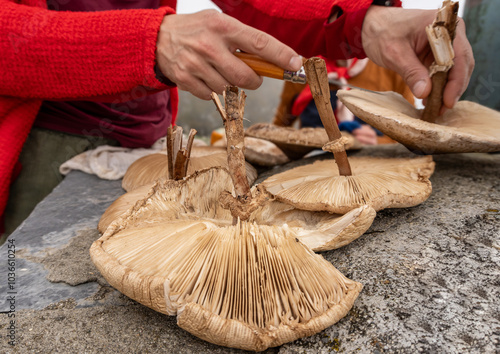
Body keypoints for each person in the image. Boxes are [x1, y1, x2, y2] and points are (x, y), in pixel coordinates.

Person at [0, 0, 474, 235]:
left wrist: (360, 20)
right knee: (24, 292)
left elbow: (255, 5)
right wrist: (148, 41)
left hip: (144, 132)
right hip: (32, 136)